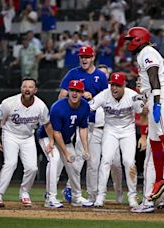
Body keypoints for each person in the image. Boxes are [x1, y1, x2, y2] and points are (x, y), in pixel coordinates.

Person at [124, 27, 164, 202]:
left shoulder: (147, 52)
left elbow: (154, 77)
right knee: (154, 141)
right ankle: (160, 179)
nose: (128, 42)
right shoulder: (144, 53)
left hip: (159, 96)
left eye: (131, 39)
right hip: (154, 96)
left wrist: (157, 102)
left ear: (138, 39)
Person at [57, 46, 108, 203]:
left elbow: (107, 99)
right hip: (77, 121)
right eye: (82, 56)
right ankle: (70, 189)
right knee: (77, 158)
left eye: (87, 56)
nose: (84, 59)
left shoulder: (100, 75)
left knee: (93, 162)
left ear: (93, 57)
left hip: (95, 122)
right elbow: (62, 95)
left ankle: (90, 194)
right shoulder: (73, 73)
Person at [0, 78, 51, 207]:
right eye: (24, 87)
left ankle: (24, 192)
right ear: (21, 89)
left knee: (32, 167)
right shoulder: (9, 103)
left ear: (35, 90)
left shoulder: (40, 105)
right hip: (10, 135)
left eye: (30, 87)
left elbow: (47, 124)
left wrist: (51, 141)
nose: (27, 89)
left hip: (28, 137)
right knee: (10, 164)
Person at [91, 72, 144, 208]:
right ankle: (100, 196)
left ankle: (132, 196)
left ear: (124, 85)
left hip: (128, 130)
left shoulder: (132, 96)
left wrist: (144, 135)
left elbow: (144, 114)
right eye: (112, 85)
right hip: (110, 130)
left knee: (129, 161)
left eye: (118, 85)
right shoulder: (104, 94)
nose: (114, 88)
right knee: (106, 160)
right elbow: (89, 107)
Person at [50, 80, 93, 207]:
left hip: (66, 139)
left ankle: (76, 197)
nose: (75, 93)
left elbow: (83, 128)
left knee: (74, 167)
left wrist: (86, 149)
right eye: (72, 90)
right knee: (54, 163)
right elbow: (56, 133)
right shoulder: (58, 107)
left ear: (82, 93)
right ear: (68, 92)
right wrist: (66, 153)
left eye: (78, 91)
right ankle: (50, 197)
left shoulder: (85, 106)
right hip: (49, 138)